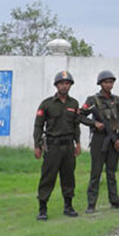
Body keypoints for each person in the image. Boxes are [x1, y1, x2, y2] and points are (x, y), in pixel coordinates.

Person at [33, 70, 83, 221]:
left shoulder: (73, 103)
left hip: (68, 146)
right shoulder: (47, 104)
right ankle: (42, 208)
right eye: (61, 83)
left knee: (68, 177)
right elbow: (38, 126)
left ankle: (68, 206)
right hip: (53, 147)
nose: (64, 86)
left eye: (67, 83)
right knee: (48, 177)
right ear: (56, 85)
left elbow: (76, 125)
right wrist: (37, 145)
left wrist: (78, 143)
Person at [80, 70, 119, 213]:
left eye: (111, 82)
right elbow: (80, 115)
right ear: (100, 83)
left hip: (114, 138)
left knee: (111, 172)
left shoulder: (117, 100)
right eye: (106, 82)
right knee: (96, 172)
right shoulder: (92, 100)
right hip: (99, 139)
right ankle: (91, 204)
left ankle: (114, 201)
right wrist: (94, 124)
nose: (109, 84)